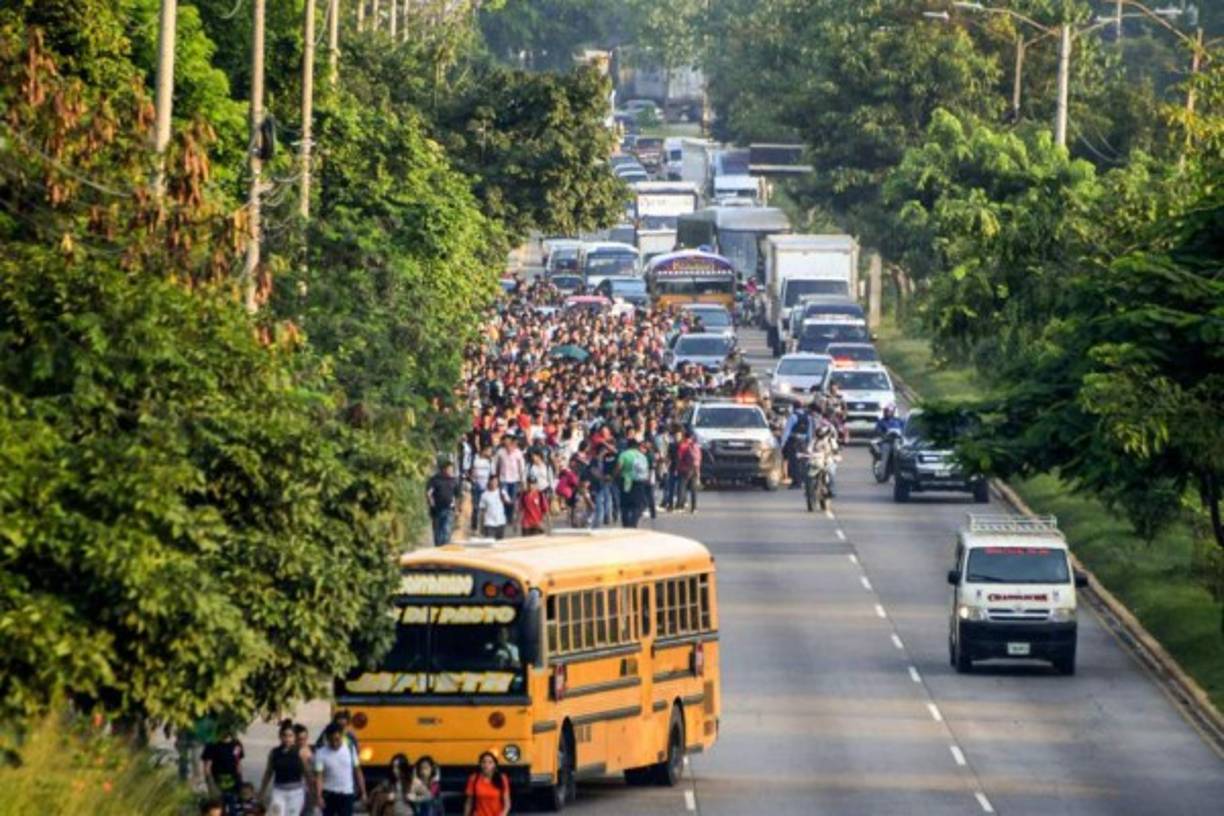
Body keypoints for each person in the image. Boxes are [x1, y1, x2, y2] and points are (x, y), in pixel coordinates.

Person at [314, 723, 367, 816]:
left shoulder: (350, 749)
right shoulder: (321, 753)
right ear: (327, 738)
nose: (334, 743)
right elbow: (319, 777)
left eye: (337, 740)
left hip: (346, 794)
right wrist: (319, 796)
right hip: (328, 794)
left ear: (342, 736)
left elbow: (358, 771)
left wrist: (363, 792)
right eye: (331, 740)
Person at [260, 721, 307, 816]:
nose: (287, 739)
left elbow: (307, 773)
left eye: (290, 736)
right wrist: (262, 791)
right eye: (284, 735)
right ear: (280, 736)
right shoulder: (274, 752)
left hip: (296, 793)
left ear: (294, 737)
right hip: (278, 792)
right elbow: (268, 772)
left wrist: (315, 793)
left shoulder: (300, 752)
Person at [202, 728, 244, 816]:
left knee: (234, 810)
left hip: (233, 783)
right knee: (218, 810)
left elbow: (238, 764)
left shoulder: (236, 744)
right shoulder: (212, 744)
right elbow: (207, 767)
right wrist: (211, 785)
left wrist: (240, 781)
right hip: (217, 783)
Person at [463, 751, 511, 816]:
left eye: (490, 762)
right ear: (480, 764)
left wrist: (502, 814)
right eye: (484, 762)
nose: (486, 765)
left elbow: (507, 804)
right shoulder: (473, 779)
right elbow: (469, 803)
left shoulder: (502, 778)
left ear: (494, 764)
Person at [426, 461, 459, 546]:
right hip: (437, 509)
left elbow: (457, 495)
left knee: (447, 530)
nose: (451, 471)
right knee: (437, 531)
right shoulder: (435, 480)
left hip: (449, 509)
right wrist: (431, 504)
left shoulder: (454, 481)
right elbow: (429, 493)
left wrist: (457, 509)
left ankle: (444, 547)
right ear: (443, 469)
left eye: (452, 469)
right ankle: (438, 548)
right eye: (449, 469)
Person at [674, 429, 702, 513]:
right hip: (694, 469)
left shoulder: (682, 445)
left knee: (682, 487)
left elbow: (679, 458)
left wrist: (677, 468)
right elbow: (699, 459)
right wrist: (698, 472)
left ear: (684, 436)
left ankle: (680, 506)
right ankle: (694, 508)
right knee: (694, 489)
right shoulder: (696, 446)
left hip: (684, 469)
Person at [469, 445, 494, 532]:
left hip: (486, 487)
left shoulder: (490, 461)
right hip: (476, 486)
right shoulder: (475, 459)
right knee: (476, 507)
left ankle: (485, 527)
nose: (490, 453)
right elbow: (471, 472)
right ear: (484, 451)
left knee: (485, 508)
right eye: (488, 451)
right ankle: (474, 527)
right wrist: (473, 480)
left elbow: (492, 474)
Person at [478, 474, 509, 539]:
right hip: (489, 523)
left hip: (500, 522)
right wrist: (481, 527)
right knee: (489, 543)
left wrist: (503, 498)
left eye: (496, 482)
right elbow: (482, 511)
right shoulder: (484, 495)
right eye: (493, 481)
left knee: (500, 544)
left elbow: (509, 503)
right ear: (489, 482)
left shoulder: (502, 492)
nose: (494, 483)